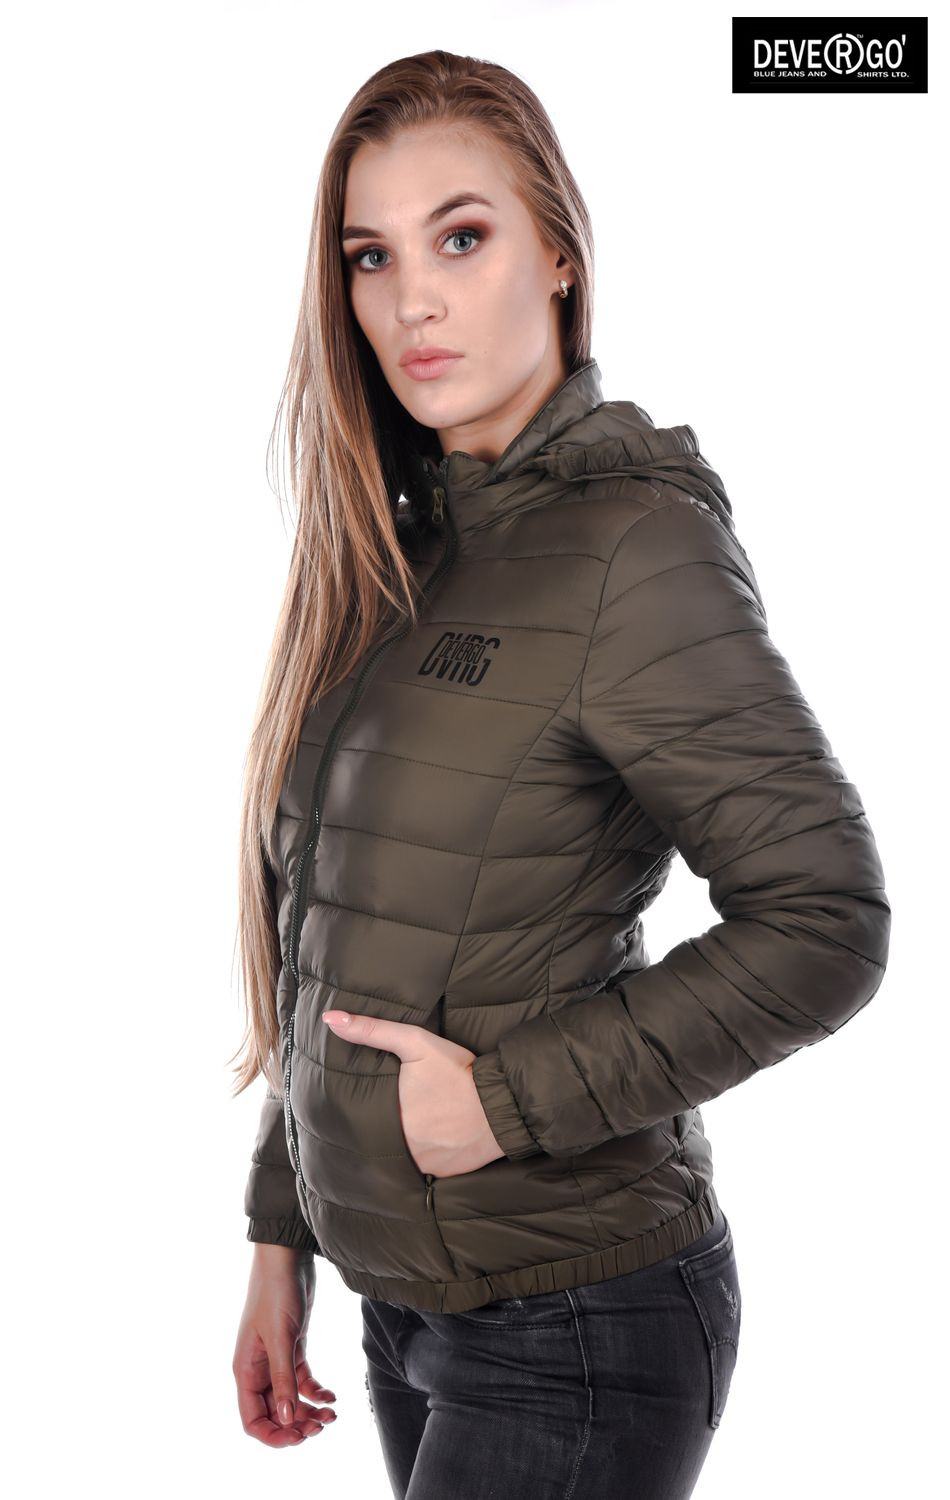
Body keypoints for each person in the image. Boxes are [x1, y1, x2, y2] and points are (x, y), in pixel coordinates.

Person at [230, 48, 891, 1499]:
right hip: (409, 1307)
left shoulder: (632, 546)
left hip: (576, 1322)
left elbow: (826, 921)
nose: (412, 300)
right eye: (371, 256)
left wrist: (506, 1103)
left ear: (560, 256)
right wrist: (284, 1236)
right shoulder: (393, 553)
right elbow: (330, 932)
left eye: (461, 238)